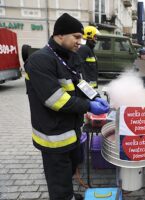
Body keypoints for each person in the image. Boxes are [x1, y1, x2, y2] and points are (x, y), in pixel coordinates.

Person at [24, 13, 110, 200]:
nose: (81, 41)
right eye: (77, 37)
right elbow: (55, 100)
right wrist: (89, 106)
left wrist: (95, 96)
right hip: (53, 135)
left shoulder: (70, 56)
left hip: (71, 130)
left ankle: (69, 195)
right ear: (60, 35)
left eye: (82, 37)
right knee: (58, 181)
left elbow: (80, 83)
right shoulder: (40, 60)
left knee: (69, 172)